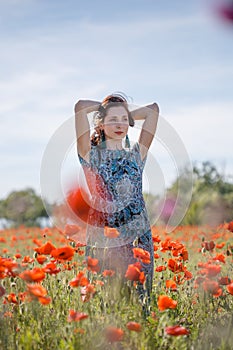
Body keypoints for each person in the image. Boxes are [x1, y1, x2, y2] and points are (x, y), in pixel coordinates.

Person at [74, 93, 159, 303]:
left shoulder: (136, 155)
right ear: (100, 124)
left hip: (138, 234)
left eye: (124, 120)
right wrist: (108, 108)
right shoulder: (91, 154)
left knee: (140, 298)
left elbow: (153, 110)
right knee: (106, 298)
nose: (120, 124)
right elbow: (80, 107)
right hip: (105, 236)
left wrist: (122, 111)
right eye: (112, 120)